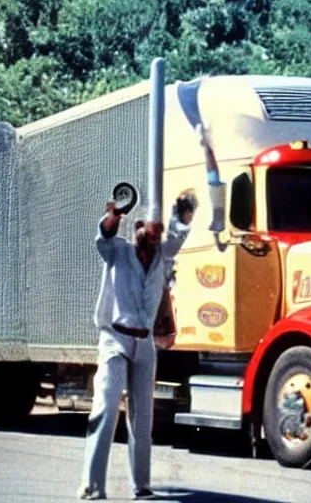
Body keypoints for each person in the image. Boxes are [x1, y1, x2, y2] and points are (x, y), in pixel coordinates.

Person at [77, 192, 195, 501]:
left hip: (144, 344)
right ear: (138, 226)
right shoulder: (117, 250)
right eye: (151, 229)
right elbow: (102, 234)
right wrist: (114, 215)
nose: (156, 235)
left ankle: (141, 486)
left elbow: (179, 235)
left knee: (143, 419)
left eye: (159, 230)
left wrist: (183, 214)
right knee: (105, 406)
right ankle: (92, 485)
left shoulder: (161, 256)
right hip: (115, 339)